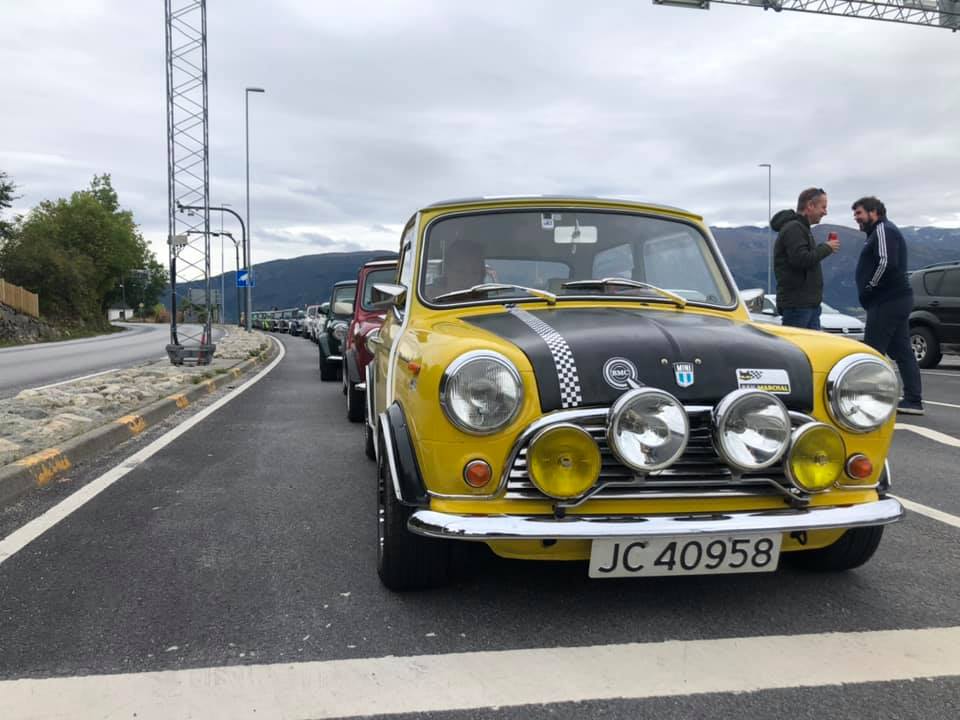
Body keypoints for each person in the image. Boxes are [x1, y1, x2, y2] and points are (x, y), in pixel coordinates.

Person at [853, 196, 923, 415]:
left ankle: (867, 399)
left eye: (859, 213)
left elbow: (886, 262)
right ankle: (913, 400)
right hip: (895, 299)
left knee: (871, 351)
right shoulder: (878, 232)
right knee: (902, 351)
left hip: (887, 300)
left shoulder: (883, 230)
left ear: (874, 212)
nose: (856, 218)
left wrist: (870, 287)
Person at [770, 188, 840, 329]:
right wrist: (826, 247)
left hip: (807, 305)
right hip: (798, 306)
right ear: (810, 205)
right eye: (823, 207)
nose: (825, 212)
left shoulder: (801, 228)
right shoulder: (794, 228)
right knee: (798, 343)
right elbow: (801, 259)